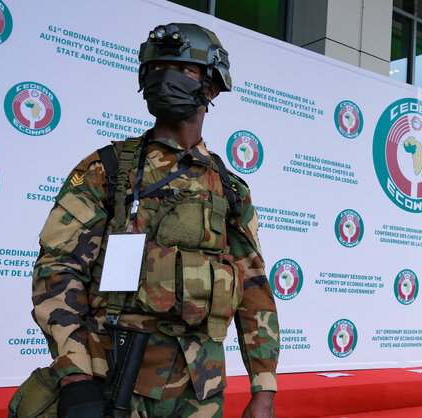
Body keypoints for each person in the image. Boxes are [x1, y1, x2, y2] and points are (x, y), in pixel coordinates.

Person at [31, 23, 279, 417]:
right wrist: (75, 376)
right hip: (115, 378)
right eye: (158, 69)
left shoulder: (231, 189)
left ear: (212, 87)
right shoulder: (108, 169)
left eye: (184, 70)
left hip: (201, 389)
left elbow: (253, 289)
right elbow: (57, 270)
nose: (167, 79)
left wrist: (263, 389)